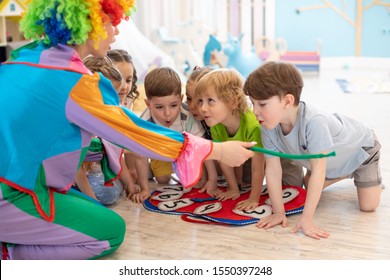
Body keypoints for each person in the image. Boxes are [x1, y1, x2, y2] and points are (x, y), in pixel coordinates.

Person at [0, 0, 255, 260]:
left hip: (19, 181)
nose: (116, 32)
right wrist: (218, 150)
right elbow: (135, 132)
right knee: (111, 231)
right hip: (11, 191)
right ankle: (9, 253)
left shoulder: (23, 57)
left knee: (93, 211)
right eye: (111, 22)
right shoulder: (74, 80)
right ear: (90, 23)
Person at [244, 61, 383, 239]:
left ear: (287, 101)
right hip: (331, 161)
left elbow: (319, 169)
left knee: (368, 206)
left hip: (363, 150)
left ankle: (355, 171)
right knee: (310, 185)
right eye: (252, 103)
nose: (255, 111)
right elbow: (272, 169)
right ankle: (343, 173)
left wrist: (307, 218)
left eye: (262, 104)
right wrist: (279, 212)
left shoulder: (314, 122)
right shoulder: (267, 126)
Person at [131, 67, 206, 203]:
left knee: (194, 181)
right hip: (160, 152)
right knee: (162, 179)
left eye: (173, 105)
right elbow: (140, 157)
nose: (167, 113)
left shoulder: (188, 115)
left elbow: (201, 147)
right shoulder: (144, 122)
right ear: (148, 104)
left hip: (185, 153)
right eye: (159, 107)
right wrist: (145, 189)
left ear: (181, 99)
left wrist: (203, 177)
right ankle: (149, 170)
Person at [195, 68, 265, 210]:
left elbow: (258, 167)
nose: (202, 108)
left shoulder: (253, 126)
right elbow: (223, 158)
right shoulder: (215, 123)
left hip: (271, 155)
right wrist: (233, 188)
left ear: (232, 102)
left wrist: (253, 198)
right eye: (201, 101)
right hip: (242, 154)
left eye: (210, 101)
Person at [106, 49, 148, 200]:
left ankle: (136, 181)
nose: (124, 87)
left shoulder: (126, 99)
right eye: (119, 80)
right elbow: (114, 148)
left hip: (118, 148)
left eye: (129, 80)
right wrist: (129, 182)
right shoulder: (104, 104)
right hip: (102, 154)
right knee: (111, 192)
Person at [185, 66, 221, 192]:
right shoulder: (190, 118)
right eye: (189, 99)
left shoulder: (219, 117)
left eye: (198, 100)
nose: (193, 106)